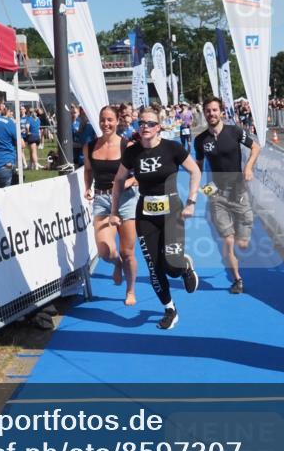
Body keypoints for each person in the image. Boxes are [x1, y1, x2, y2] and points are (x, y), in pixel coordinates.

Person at [108, 107, 201, 330]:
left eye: (150, 123)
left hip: (172, 213)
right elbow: (118, 180)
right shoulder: (132, 152)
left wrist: (191, 201)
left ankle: (184, 267)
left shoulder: (172, 148)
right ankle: (170, 309)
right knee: (153, 267)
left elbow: (195, 171)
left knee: (171, 266)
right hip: (146, 215)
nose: (144, 127)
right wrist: (114, 211)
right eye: (141, 123)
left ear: (159, 127)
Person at [194, 97, 261, 293]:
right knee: (229, 240)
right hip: (216, 193)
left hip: (239, 191)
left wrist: (248, 167)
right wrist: (197, 188)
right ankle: (237, 279)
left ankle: (240, 250)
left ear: (221, 112)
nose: (211, 114)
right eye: (208, 111)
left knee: (242, 242)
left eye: (215, 110)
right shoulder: (201, 140)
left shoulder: (234, 132)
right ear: (204, 113)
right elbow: (197, 167)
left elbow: (256, 147)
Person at [84, 106, 139, 305]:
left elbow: (140, 175)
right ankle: (117, 264)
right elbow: (88, 170)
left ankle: (131, 290)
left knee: (127, 252)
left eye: (109, 120)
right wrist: (87, 187)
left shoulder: (128, 146)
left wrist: (129, 182)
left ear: (117, 121)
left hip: (125, 200)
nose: (106, 124)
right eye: (102, 120)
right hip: (102, 199)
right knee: (104, 251)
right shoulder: (90, 146)